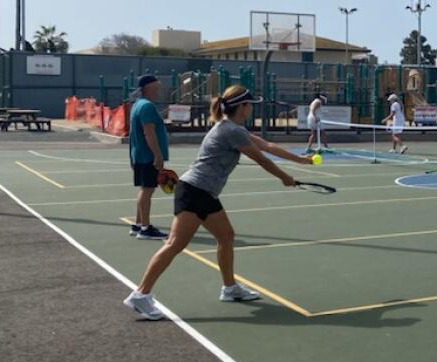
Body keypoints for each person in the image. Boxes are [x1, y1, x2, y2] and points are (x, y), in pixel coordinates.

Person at [123, 85, 315, 320]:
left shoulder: (233, 128)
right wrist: (285, 178)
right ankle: (140, 295)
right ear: (242, 107)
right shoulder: (231, 131)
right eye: (249, 106)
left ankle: (230, 288)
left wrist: (301, 160)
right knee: (175, 244)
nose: (251, 110)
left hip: (205, 193)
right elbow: (262, 158)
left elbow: (267, 145)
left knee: (226, 237)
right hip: (194, 191)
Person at [128, 75, 169, 240]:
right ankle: (145, 228)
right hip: (147, 156)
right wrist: (158, 156)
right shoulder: (147, 107)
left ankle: (138, 225)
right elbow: (148, 132)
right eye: (157, 85)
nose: (159, 88)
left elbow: (133, 135)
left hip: (139, 155)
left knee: (145, 190)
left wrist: (131, 157)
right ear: (149, 86)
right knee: (147, 190)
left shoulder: (137, 105)